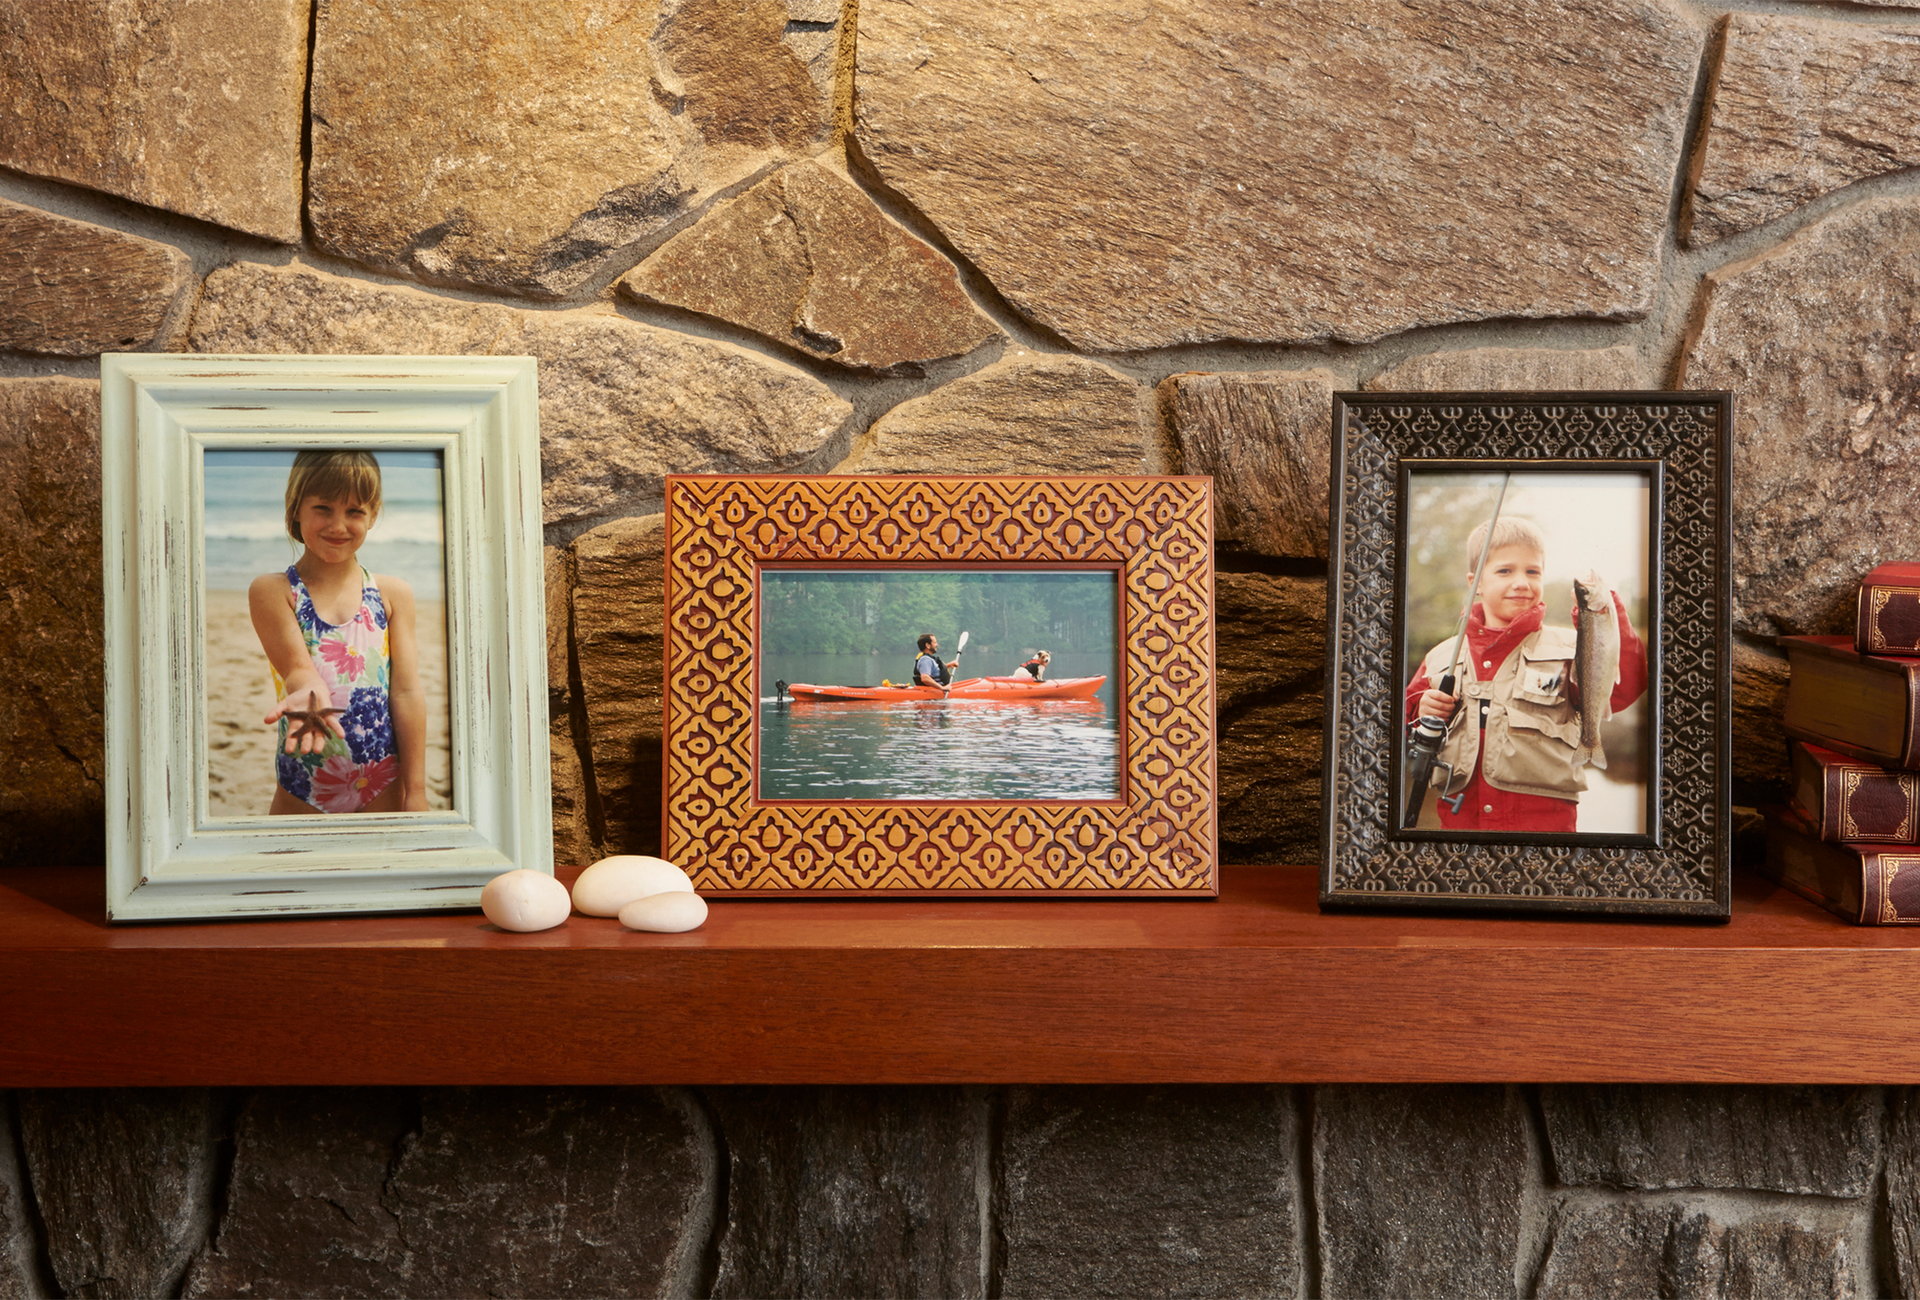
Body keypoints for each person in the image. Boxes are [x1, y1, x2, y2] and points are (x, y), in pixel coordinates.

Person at [1403, 516, 1647, 833]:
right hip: (1462, 826)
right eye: (1505, 570)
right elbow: (1404, 721)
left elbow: (1626, 685)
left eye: (1533, 571)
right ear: (1474, 582)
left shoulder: (1572, 647)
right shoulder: (1440, 657)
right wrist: (1421, 709)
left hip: (1546, 830)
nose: (1522, 581)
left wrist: (1604, 613)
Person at [248, 450, 428, 814]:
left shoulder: (394, 596)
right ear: (296, 508)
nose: (338, 525)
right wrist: (311, 691)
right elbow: (299, 669)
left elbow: (407, 694)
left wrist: (416, 790)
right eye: (323, 508)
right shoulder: (275, 592)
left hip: (383, 786)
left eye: (354, 511)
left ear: (373, 515)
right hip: (304, 789)